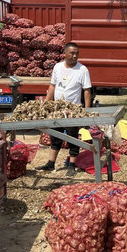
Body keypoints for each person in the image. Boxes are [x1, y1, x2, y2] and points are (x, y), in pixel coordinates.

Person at [36, 42, 91, 176]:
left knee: (73, 137)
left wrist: (87, 113)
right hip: (57, 108)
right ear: (65, 54)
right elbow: (52, 86)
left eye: (77, 53)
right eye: (72, 53)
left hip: (72, 109)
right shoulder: (58, 67)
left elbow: (87, 91)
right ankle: (50, 163)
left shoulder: (82, 70)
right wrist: (46, 105)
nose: (74, 56)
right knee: (55, 135)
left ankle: (72, 165)